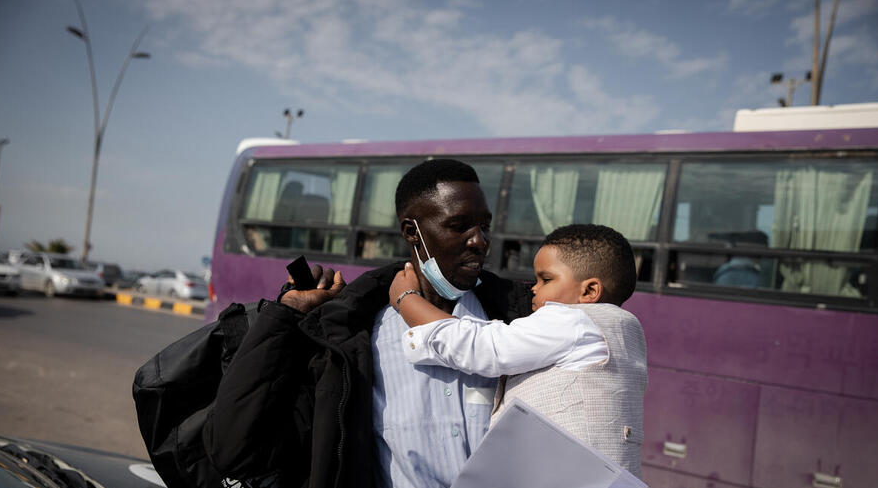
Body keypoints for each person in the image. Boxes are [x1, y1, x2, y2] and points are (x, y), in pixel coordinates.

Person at [203, 159, 533, 488]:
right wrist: (286, 315)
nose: (480, 241)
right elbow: (234, 449)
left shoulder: (517, 323)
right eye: (459, 226)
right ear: (412, 232)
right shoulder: (354, 337)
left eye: (484, 227)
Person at [389, 224, 648, 478]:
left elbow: (484, 347)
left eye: (546, 279)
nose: (533, 288)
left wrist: (407, 299)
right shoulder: (625, 330)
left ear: (589, 291)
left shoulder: (572, 321)